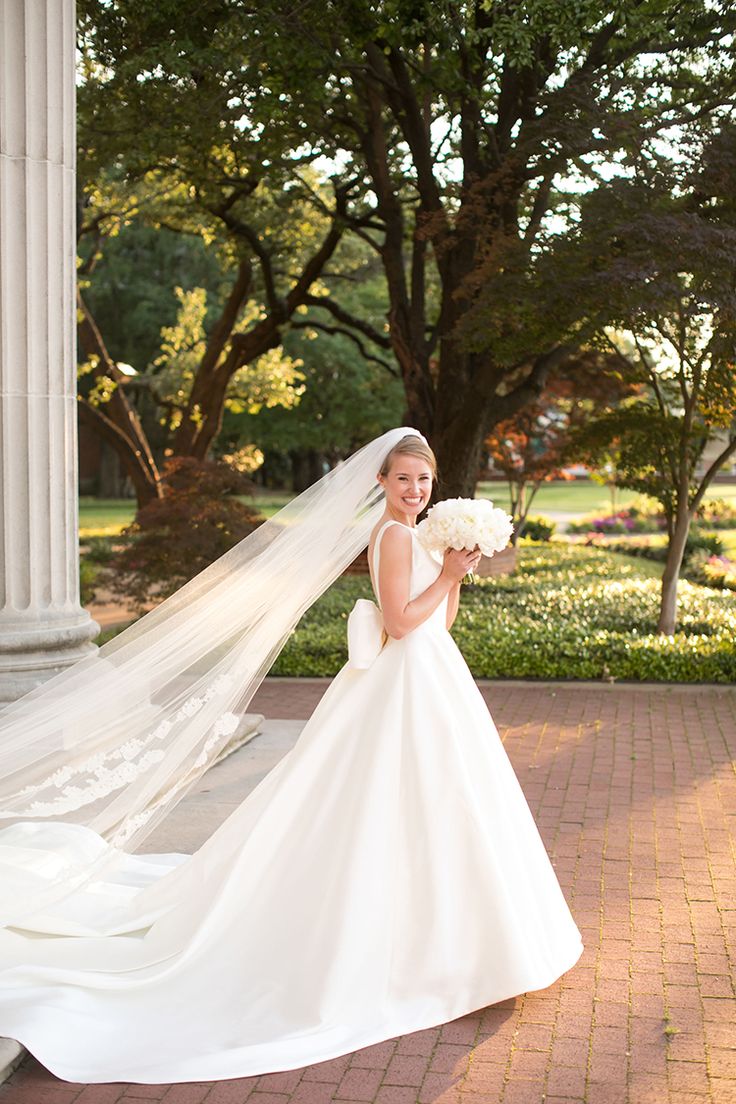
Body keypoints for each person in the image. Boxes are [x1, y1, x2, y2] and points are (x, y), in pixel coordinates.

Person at [0, 429, 582, 1085]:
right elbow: (397, 622)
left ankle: (463, 943)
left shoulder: (422, 537)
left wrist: (453, 576)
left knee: (444, 803)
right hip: (400, 686)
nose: (415, 491)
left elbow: (436, 625)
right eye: (403, 480)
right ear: (383, 485)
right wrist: (443, 575)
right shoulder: (392, 536)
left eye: (424, 481)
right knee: (401, 800)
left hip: (433, 678)